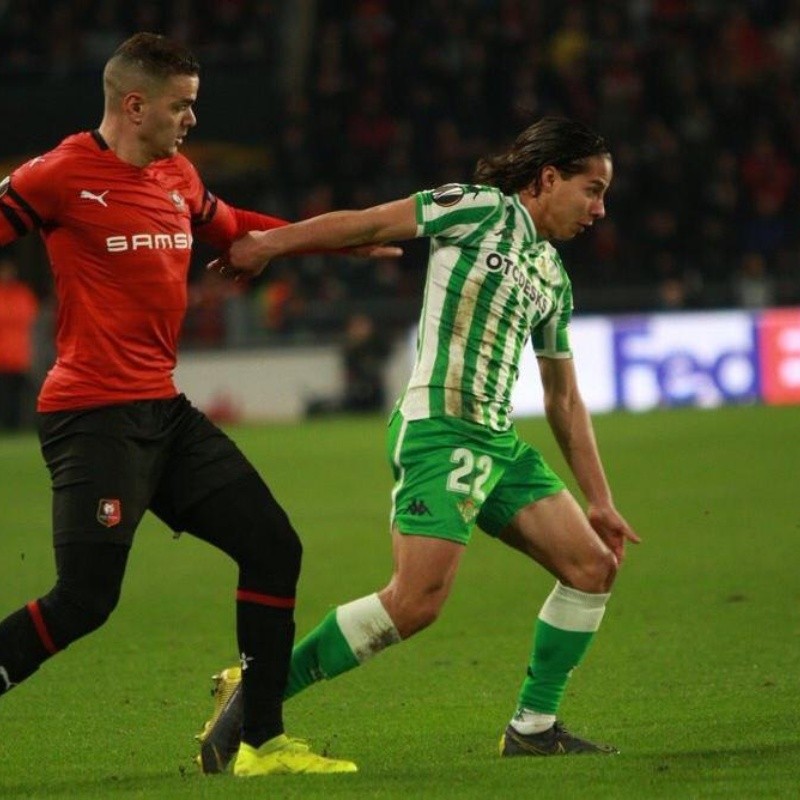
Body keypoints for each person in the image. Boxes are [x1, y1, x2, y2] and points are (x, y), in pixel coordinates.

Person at [0, 32, 403, 778]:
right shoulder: (57, 176)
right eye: (181, 106)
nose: (190, 120)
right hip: (92, 416)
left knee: (273, 546)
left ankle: (261, 743)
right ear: (134, 104)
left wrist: (323, 242)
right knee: (84, 601)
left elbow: (233, 230)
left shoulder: (177, 177)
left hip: (162, 410)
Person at [196, 116, 640, 770]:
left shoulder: (552, 276)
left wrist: (599, 500)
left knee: (593, 566)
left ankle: (533, 727)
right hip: (440, 429)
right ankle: (259, 692)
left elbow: (564, 398)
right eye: (592, 189)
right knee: (415, 602)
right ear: (548, 178)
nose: (600, 209)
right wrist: (269, 244)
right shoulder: (478, 208)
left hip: (496, 442)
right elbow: (372, 223)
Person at [0, 257, 39, 431]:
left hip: (20, 356)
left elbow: (32, 319)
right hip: (3, 356)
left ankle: (16, 426)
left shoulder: (23, 294)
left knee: (17, 396)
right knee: (5, 394)